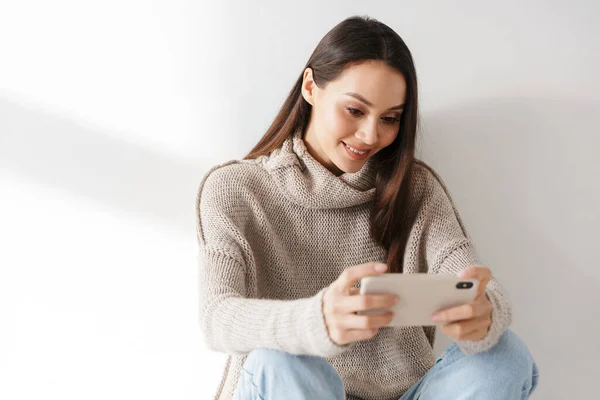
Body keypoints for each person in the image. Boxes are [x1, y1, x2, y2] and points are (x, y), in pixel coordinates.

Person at [196, 15, 539, 400]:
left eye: (390, 118)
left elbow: (478, 284)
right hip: (292, 389)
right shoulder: (234, 189)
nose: (371, 135)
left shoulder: (416, 189)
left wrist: (484, 313)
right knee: (280, 359)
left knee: (506, 356)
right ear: (311, 87)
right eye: (355, 111)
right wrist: (318, 319)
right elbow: (217, 318)